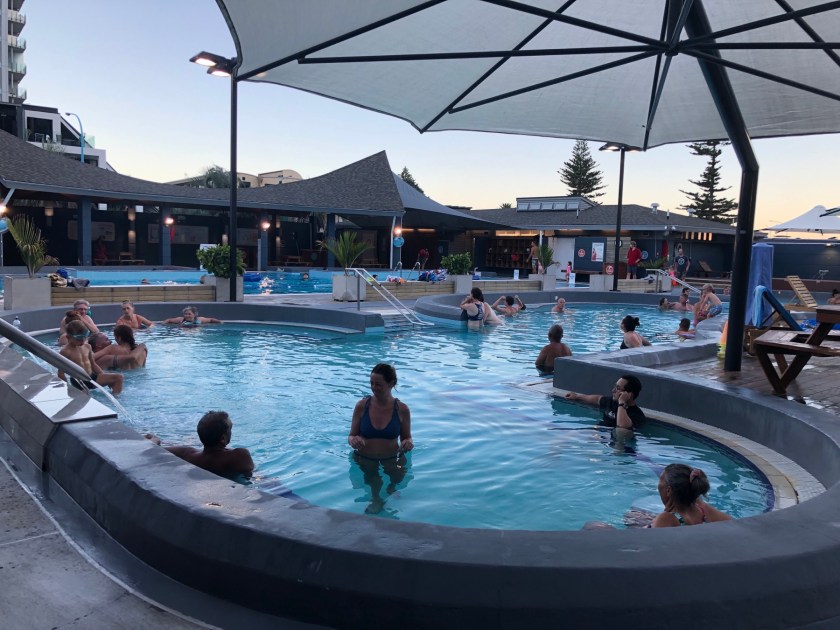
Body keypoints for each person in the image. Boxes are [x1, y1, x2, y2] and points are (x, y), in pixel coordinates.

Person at [348, 363, 413, 513]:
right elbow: (351, 435)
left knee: (397, 479)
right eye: (371, 383)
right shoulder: (362, 406)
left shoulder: (402, 409)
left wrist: (408, 443)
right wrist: (353, 440)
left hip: (392, 458)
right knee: (373, 480)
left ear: (391, 383)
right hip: (365, 457)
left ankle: (390, 489)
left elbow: (407, 437)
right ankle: (376, 499)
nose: (374, 388)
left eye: (378, 384)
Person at [164, 411, 255, 480]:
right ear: (223, 438)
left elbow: (161, 449)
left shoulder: (188, 454)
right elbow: (251, 476)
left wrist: (156, 440)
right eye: (230, 429)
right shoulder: (239, 456)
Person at [650, 464, 732, 527]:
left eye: (660, 480)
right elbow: (733, 524)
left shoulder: (665, 519)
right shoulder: (703, 510)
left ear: (668, 490)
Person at [58, 321, 124, 394]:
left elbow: (93, 364)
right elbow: (61, 373)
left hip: (92, 377)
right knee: (87, 396)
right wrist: (68, 389)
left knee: (119, 377)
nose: (82, 341)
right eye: (79, 339)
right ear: (68, 337)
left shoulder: (87, 346)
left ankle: (116, 397)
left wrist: (104, 376)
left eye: (84, 337)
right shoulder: (65, 351)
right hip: (79, 381)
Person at [564, 374, 646, 430]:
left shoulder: (637, 415)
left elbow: (622, 427)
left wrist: (621, 402)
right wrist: (577, 396)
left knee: (622, 432)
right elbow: (597, 399)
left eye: (618, 388)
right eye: (615, 387)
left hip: (618, 443)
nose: (613, 390)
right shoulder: (611, 401)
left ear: (629, 394)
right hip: (600, 434)